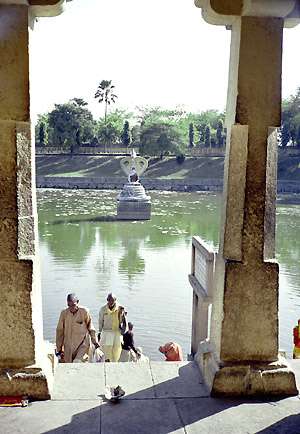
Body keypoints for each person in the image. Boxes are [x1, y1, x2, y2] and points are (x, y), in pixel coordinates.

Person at [56, 293, 99, 363]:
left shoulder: (84, 312)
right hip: (68, 346)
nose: (71, 308)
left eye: (73, 305)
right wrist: (59, 348)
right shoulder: (64, 313)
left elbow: (91, 327)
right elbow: (59, 331)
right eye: (69, 305)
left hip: (82, 345)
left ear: (78, 302)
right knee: (69, 366)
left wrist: (95, 341)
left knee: (77, 362)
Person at [98, 293, 126, 362]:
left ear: (115, 300)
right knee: (107, 350)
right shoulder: (103, 309)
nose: (111, 302)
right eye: (109, 300)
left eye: (112, 300)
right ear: (107, 300)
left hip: (117, 332)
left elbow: (124, 322)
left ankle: (114, 363)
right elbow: (100, 321)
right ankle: (108, 363)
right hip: (107, 332)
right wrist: (100, 332)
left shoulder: (120, 308)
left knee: (117, 349)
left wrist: (123, 332)